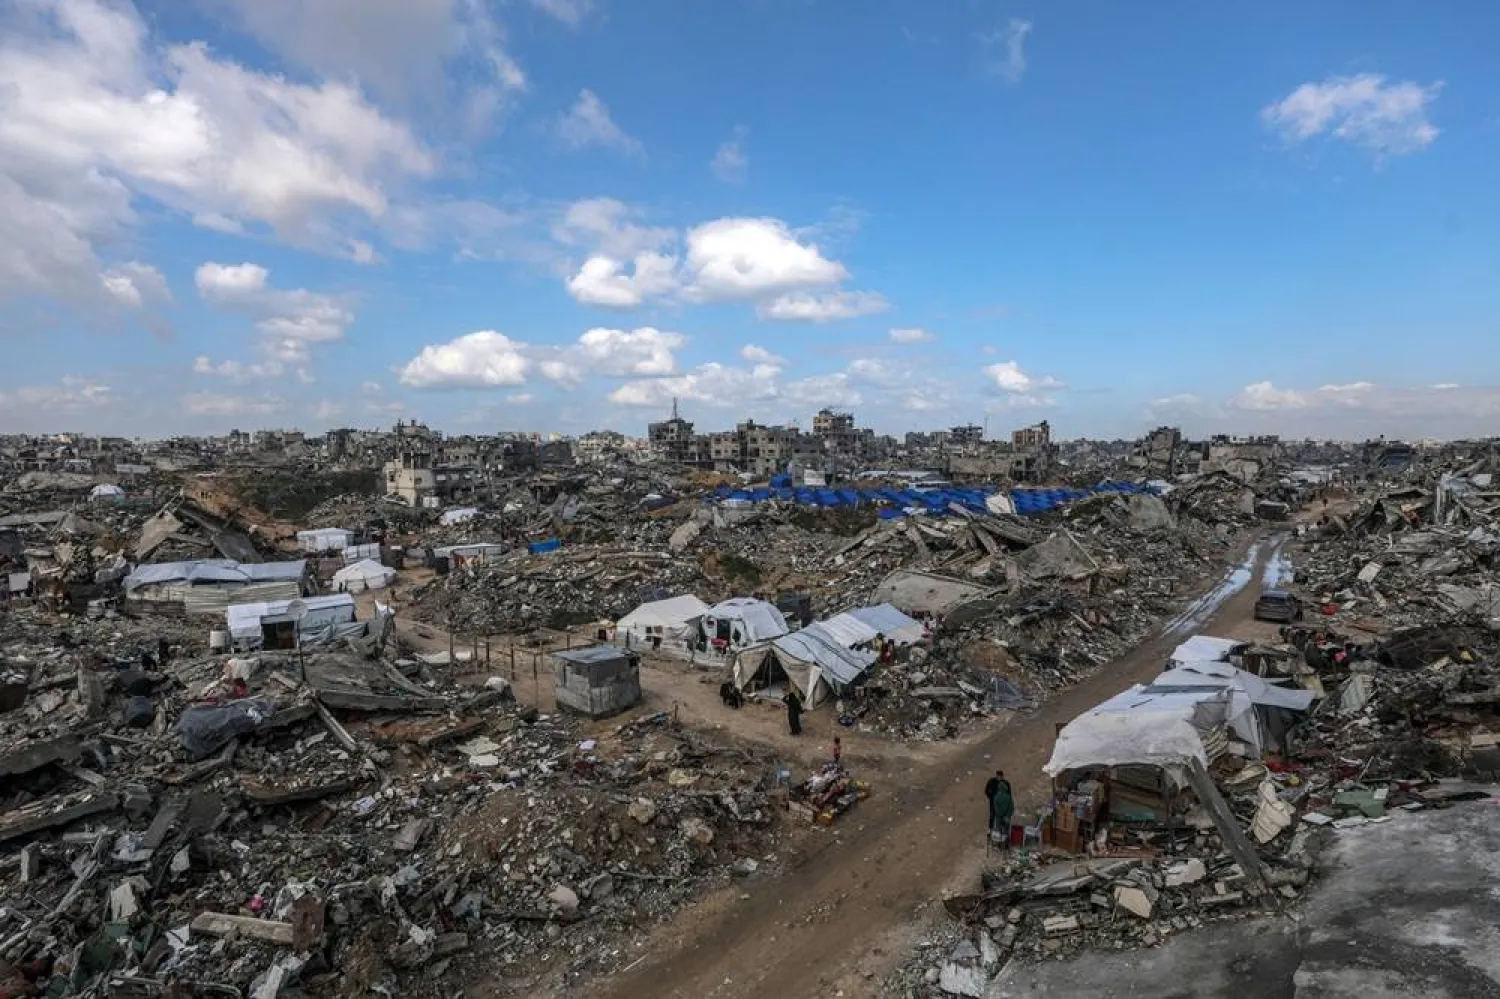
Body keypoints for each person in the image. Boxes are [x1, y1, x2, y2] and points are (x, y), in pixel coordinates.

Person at [984, 770, 1013, 844]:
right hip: (994, 803)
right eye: (998, 776)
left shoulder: (1005, 783)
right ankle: (992, 830)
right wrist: (990, 797)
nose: (999, 777)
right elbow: (986, 790)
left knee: (1001, 820)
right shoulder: (992, 781)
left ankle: (1002, 838)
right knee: (993, 816)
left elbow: (1009, 794)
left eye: (1001, 776)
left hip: (1002, 805)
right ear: (996, 775)